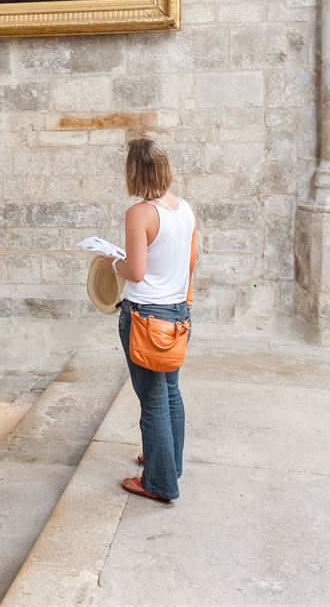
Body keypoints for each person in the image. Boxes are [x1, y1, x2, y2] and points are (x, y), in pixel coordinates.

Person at [107, 138, 196, 503]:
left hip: (144, 317)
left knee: (153, 401)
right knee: (171, 393)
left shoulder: (140, 213)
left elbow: (137, 272)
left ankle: (158, 484)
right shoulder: (185, 208)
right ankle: (167, 463)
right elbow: (190, 263)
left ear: (134, 172)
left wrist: (112, 261)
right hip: (178, 314)